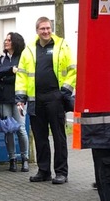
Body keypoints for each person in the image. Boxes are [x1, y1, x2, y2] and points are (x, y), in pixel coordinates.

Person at [16, 16, 76, 184]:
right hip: (36, 100)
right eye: (42, 29)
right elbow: (21, 75)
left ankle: (61, 172)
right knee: (40, 137)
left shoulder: (61, 46)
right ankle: (44, 171)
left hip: (55, 98)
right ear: (37, 31)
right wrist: (20, 98)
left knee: (59, 137)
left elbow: (72, 70)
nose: (46, 31)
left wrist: (64, 92)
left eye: (48, 28)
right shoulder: (29, 50)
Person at [0, 32, 30, 172]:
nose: (6, 42)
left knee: (20, 129)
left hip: (18, 99)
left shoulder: (22, 58)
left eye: (9, 40)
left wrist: (4, 76)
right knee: (8, 129)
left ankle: (25, 158)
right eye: (5, 39)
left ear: (16, 42)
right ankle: (12, 159)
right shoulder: (1, 59)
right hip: (3, 99)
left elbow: (21, 76)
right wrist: (9, 71)